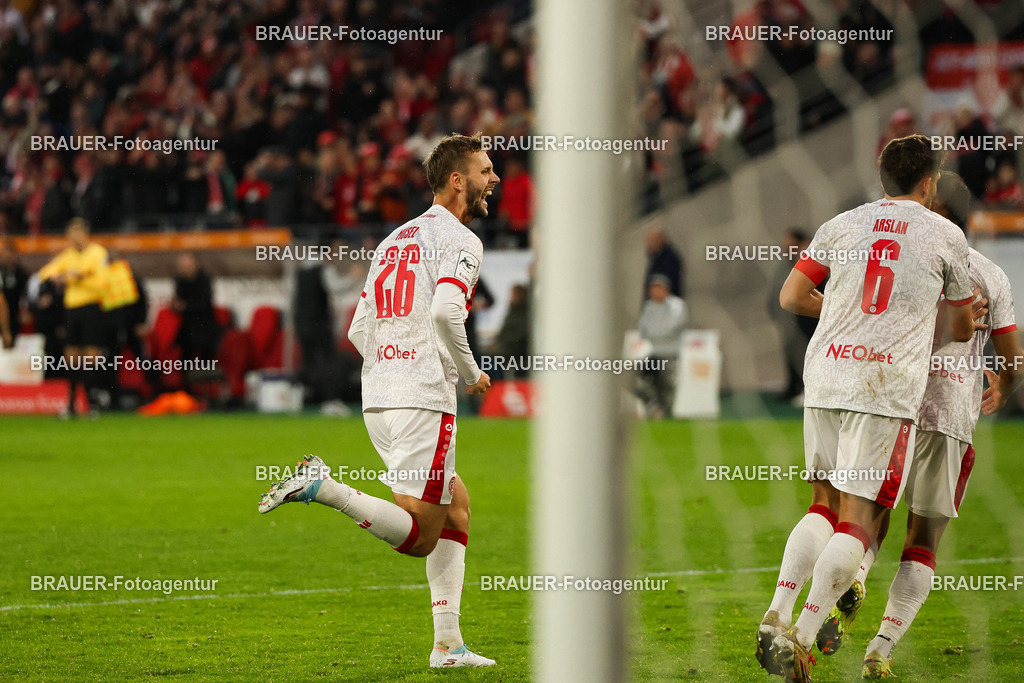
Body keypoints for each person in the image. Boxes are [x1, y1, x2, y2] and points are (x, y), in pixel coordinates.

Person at [258, 133, 500, 669]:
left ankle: (448, 645)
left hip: (379, 397)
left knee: (455, 506)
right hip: (421, 398)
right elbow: (444, 314)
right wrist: (470, 373)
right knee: (417, 536)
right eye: (485, 171)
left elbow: (359, 328)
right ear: (458, 180)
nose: (495, 179)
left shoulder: (396, 239)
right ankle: (323, 487)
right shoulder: (461, 240)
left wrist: (391, 365)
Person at [755, 134, 981, 681]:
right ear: (928, 182)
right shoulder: (944, 234)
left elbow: (791, 297)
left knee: (821, 505)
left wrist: (839, 308)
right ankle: (802, 635)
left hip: (826, 372)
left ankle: (776, 614)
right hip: (883, 388)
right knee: (858, 519)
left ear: (884, 179)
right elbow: (956, 327)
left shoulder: (842, 223)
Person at [815, 173, 1024, 678]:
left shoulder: (902, 257)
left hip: (894, 402)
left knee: (864, 514)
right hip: (951, 417)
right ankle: (880, 651)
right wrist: (1004, 385)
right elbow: (1013, 358)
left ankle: (853, 579)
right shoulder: (990, 275)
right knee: (923, 541)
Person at [37, 218, 109, 416]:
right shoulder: (68, 256)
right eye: (70, 235)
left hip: (91, 307)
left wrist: (80, 278)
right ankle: (71, 402)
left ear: (85, 233)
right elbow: (45, 273)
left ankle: (92, 400)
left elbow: (103, 282)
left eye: (77, 233)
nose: (74, 238)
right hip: (72, 310)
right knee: (71, 355)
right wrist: (59, 276)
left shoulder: (97, 253)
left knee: (91, 354)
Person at [636, 274, 686, 417]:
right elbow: (643, 331)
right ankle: (654, 408)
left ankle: (665, 414)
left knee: (667, 386)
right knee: (638, 380)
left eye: (659, 288)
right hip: (654, 353)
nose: (655, 291)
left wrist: (656, 331)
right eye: (653, 288)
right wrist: (657, 330)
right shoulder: (649, 307)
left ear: (666, 289)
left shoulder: (677, 306)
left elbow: (671, 329)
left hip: (670, 353)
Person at [172, 253, 220, 364]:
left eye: (187, 264)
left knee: (206, 359)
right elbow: (177, 302)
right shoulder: (180, 281)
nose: (185, 267)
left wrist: (186, 306)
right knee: (185, 356)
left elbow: (204, 302)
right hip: (187, 326)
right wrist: (176, 306)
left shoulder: (203, 279)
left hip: (204, 325)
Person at [0, 239, 28, 340]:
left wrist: (24, 310)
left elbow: (25, 294)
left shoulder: (21, 273)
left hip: (15, 314)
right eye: (5, 252)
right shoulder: (1, 271)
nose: (8, 256)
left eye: (10, 252)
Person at [645, 226, 683, 297]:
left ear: (660, 239)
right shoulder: (656, 258)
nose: (649, 246)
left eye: (651, 241)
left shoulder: (669, 259)